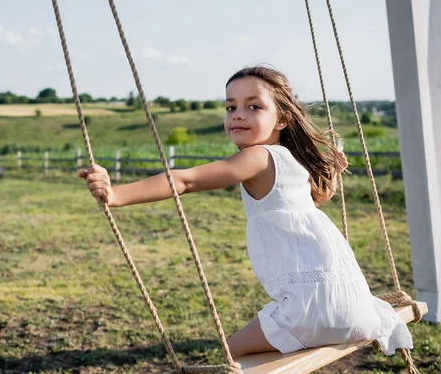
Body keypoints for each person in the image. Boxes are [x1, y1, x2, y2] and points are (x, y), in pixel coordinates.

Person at [78, 66, 412, 359]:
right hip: (355, 306)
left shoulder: (259, 157)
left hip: (310, 310)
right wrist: (334, 174)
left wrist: (116, 194)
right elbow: (317, 198)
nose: (238, 114)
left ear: (282, 118)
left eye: (253, 106)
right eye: (231, 106)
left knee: (228, 355)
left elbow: (187, 180)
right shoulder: (290, 160)